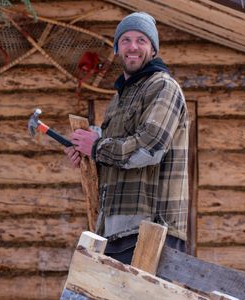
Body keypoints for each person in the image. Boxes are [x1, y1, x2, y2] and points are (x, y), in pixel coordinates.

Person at [65, 12, 189, 264]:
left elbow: (150, 147)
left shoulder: (163, 86)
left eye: (141, 40)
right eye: (126, 40)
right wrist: (87, 154)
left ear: (153, 49)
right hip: (114, 229)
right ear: (117, 49)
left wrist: (97, 148)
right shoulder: (119, 99)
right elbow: (115, 158)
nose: (133, 46)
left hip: (152, 229)